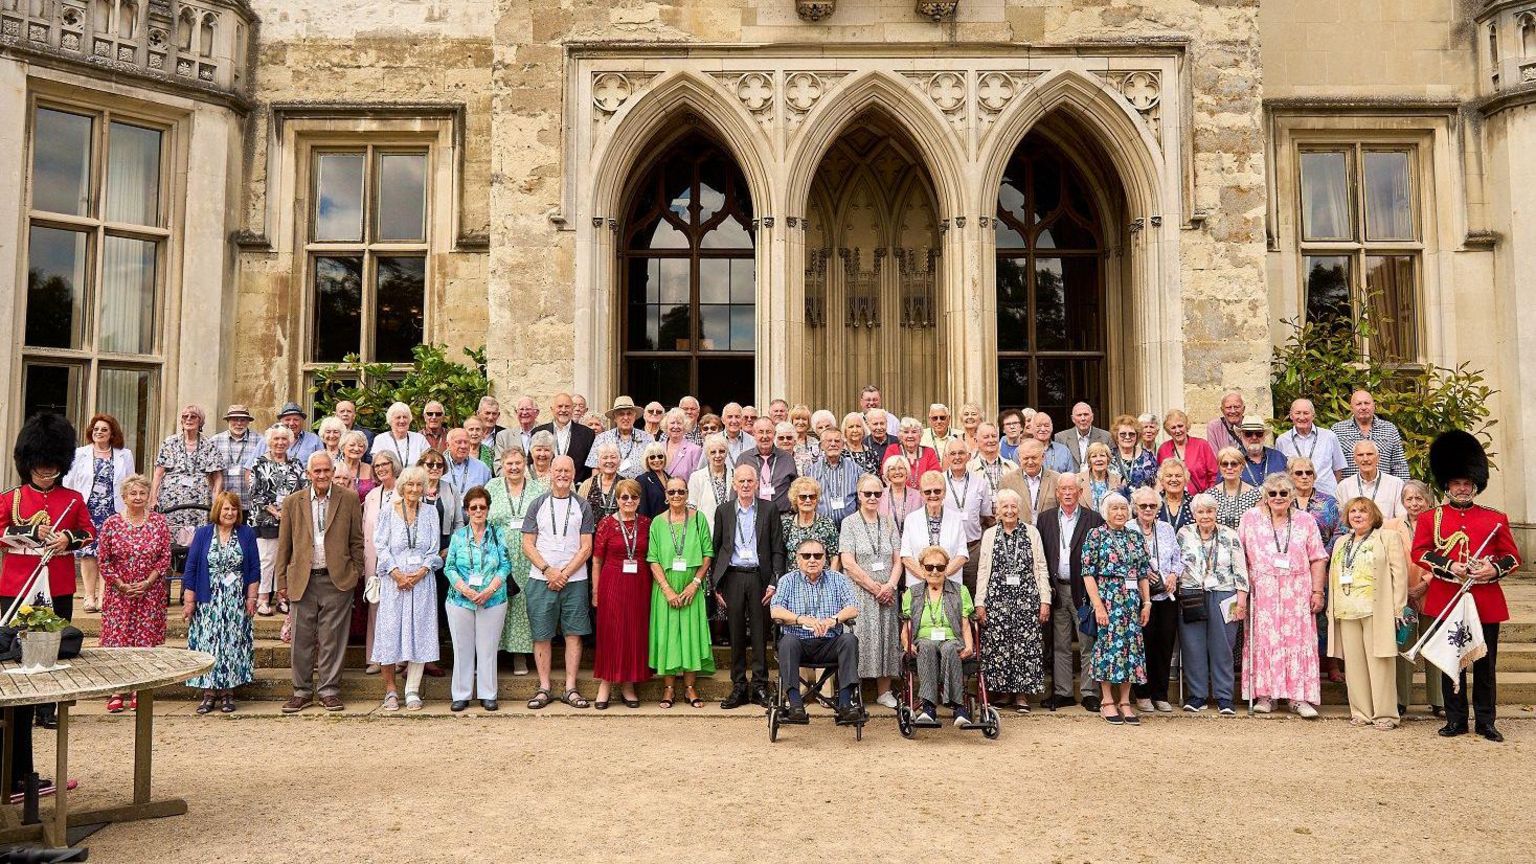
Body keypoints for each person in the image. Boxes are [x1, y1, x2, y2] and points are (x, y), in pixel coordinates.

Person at [1412, 430, 1520, 742]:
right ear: (1447, 485)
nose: (1462, 488)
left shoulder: (1495, 518)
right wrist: (1450, 566)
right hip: (1448, 598)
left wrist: (1491, 569)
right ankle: (1456, 719)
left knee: (1485, 666)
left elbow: (1513, 557)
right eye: (1456, 483)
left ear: (1476, 484)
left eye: (1467, 483)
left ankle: (1486, 721)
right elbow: (1419, 552)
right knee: (1451, 662)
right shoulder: (1432, 517)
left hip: (1485, 600)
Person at [275, 451, 365, 713]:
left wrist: (355, 570)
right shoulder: (293, 502)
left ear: (332, 471)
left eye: (327, 470)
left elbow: (357, 540)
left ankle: (329, 691)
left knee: (332, 639)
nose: (323, 475)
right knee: (300, 639)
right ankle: (301, 691)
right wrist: (282, 580)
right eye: (318, 471)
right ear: (308, 473)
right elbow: (285, 546)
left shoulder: (348, 499)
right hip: (303, 579)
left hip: (336, 579)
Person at [1239, 472, 1328, 718]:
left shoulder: (1306, 520)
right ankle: (1265, 695)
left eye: (1284, 493)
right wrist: (1242, 594)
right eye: (1273, 493)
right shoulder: (1250, 518)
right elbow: (1240, 558)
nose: (1278, 497)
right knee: (1264, 640)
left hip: (1297, 591)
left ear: (1291, 496)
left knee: (1297, 641)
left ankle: (1298, 697)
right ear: (1265, 496)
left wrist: (1317, 591)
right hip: (1263, 591)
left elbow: (1318, 557)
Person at [1326, 497, 1408, 729]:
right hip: (1347, 608)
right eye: (1353, 511)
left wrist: (1398, 608)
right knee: (1354, 664)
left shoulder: (1387, 537)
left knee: (1380, 662)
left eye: (1363, 511)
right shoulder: (1342, 541)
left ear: (1373, 515)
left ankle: (1385, 715)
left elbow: (1399, 575)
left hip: (1376, 609)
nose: (1357, 515)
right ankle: (1361, 712)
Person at [91, 471, 170, 712]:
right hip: (119, 594)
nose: (138, 497)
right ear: (124, 497)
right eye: (133, 493)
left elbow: (165, 557)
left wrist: (148, 582)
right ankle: (117, 690)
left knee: (144, 641)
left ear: (148, 496)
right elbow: (103, 560)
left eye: (142, 493)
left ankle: (140, 689)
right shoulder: (112, 523)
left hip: (150, 592)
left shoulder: (158, 522)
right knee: (119, 641)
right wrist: (120, 585)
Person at [522, 455, 596, 709]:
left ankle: (570, 688)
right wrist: (548, 570)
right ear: (550, 473)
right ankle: (544, 687)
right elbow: (527, 543)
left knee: (573, 634)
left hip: (574, 580)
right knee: (542, 634)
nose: (563, 475)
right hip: (540, 578)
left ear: (574, 473)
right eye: (558, 470)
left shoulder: (582, 505)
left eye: (567, 470)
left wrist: (564, 573)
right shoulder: (537, 504)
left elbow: (586, 547)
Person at [711, 464, 787, 709]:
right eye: (741, 481)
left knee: (759, 633)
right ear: (734, 484)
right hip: (733, 576)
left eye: (749, 481)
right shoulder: (723, 511)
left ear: (757, 484)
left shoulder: (769, 509)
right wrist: (717, 584)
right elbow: (718, 548)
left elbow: (778, 548)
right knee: (735, 633)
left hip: (759, 577)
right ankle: (739, 686)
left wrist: (775, 582)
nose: (745, 485)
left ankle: (760, 685)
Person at [181, 490, 260, 714]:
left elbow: (254, 567)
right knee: (208, 642)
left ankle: (227, 692)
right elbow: (192, 567)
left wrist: (252, 597)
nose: (230, 512)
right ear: (218, 510)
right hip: (208, 599)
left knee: (232, 644)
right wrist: (189, 600)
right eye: (226, 508)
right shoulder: (204, 533)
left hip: (236, 599)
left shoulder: (246, 533)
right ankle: (208, 693)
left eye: (234, 508)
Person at [770, 538, 864, 723]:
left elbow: (853, 608)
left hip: (829, 642)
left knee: (849, 640)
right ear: (797, 559)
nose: (812, 560)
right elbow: (775, 611)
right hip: (799, 643)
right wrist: (800, 619)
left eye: (817, 555)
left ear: (825, 559)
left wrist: (832, 620)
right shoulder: (787, 580)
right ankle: (796, 705)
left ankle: (845, 705)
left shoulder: (838, 579)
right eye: (806, 555)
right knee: (787, 641)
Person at [371, 466, 442, 711]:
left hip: (422, 582)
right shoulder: (387, 511)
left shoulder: (431, 513)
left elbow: (434, 549)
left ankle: (412, 689)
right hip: (394, 582)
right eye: (410, 485)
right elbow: (380, 546)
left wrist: (421, 572)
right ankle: (390, 690)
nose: (414, 489)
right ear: (402, 486)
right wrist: (397, 574)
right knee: (390, 632)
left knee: (419, 632)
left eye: (419, 485)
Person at [974, 488, 1050, 712]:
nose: (1009, 510)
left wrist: (1044, 600)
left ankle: (1021, 696)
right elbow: (983, 569)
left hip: (1027, 600)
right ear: (997, 510)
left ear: (1019, 509)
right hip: (997, 600)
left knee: (1025, 647)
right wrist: (980, 602)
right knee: (999, 646)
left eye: (1013, 506)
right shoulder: (989, 535)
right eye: (1004, 506)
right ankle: (1004, 693)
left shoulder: (1032, 533)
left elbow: (1041, 567)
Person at [1081, 494, 1153, 724]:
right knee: (1108, 649)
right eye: (1114, 508)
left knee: (1131, 650)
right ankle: (1106, 700)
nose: (1120, 513)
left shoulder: (1135, 536)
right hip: (1108, 600)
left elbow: (1142, 572)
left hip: (1131, 602)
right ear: (1105, 511)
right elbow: (1088, 574)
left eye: (1123, 508)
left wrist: (1147, 602)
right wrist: (1098, 606)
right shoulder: (1096, 535)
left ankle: (1125, 701)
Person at [1035, 473, 1106, 711]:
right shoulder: (1044, 519)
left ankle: (1089, 693)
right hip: (1057, 590)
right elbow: (1042, 555)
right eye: (1063, 489)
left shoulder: (1093, 519)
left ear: (1079, 492)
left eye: (1072, 489)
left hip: (1084, 591)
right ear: (1057, 493)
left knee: (1088, 642)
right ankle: (1063, 692)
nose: (1067, 493)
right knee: (1060, 644)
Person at [1175, 493, 1248, 714]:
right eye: (1200, 511)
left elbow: (1240, 569)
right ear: (1194, 513)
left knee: (1223, 646)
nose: (1205, 516)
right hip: (1191, 592)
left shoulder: (1229, 534)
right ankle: (1197, 695)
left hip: (1224, 594)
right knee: (1193, 645)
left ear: (1216, 512)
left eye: (1209, 511)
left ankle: (1224, 697)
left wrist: (1242, 600)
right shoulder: (1184, 533)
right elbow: (1176, 564)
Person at [647, 474, 714, 709]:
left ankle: (689, 687)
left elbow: (708, 553)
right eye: (672, 492)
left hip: (691, 588)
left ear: (687, 495)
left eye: (681, 492)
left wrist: (694, 584)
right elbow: (652, 558)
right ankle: (668, 688)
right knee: (668, 637)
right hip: (665, 588)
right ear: (666, 496)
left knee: (690, 635)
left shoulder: (698, 519)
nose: (677, 496)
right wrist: (666, 589)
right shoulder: (657, 522)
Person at [443, 486, 511, 712]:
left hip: (493, 599)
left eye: (483, 507)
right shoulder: (458, 536)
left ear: (488, 509)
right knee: (462, 648)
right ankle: (461, 694)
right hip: (460, 600)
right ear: (467, 510)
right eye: (474, 507)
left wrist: (490, 590)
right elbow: (449, 567)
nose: (478, 511)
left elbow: (505, 565)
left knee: (488, 648)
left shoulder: (497, 533)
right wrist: (467, 591)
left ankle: (488, 693)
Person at [839, 474, 903, 709]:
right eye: (868, 493)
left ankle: (884, 692)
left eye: (877, 493)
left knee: (886, 638)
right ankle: (854, 690)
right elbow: (848, 561)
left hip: (886, 594)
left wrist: (890, 586)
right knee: (859, 639)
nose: (873, 497)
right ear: (859, 496)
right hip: (860, 593)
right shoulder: (849, 523)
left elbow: (898, 559)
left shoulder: (888, 522)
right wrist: (873, 586)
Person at [65, 413, 135, 613]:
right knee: (88, 553)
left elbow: (130, 482)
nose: (99, 433)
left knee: (109, 554)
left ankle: (105, 596)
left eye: (104, 429)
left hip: (113, 510)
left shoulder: (124, 454)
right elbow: (69, 481)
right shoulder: (80, 453)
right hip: (87, 509)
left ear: (112, 433)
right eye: (96, 429)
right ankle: (89, 596)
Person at [901, 545, 978, 726]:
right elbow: (906, 626)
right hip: (923, 639)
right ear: (921, 568)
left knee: (950, 647)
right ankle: (928, 707)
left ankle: (959, 707)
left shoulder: (960, 591)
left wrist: (969, 645)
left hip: (952, 639)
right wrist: (906, 644)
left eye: (940, 567)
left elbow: (965, 624)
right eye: (929, 567)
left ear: (946, 567)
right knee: (926, 646)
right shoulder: (913, 593)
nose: (934, 571)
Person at [591, 479, 652, 709]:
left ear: (639, 500)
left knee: (633, 632)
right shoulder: (606, 524)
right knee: (611, 632)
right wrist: (595, 591)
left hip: (639, 584)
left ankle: (628, 683)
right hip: (612, 582)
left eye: (633, 497)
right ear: (617, 499)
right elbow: (596, 560)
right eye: (624, 497)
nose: (629, 501)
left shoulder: (646, 524)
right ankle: (605, 683)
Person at [1387, 480, 1443, 716]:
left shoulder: (1440, 525)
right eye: (1409, 499)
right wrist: (1402, 591)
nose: (1414, 503)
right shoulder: (1390, 526)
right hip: (1402, 596)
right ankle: (1401, 699)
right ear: (1402, 502)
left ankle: (1439, 699)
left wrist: (1425, 583)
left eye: (1419, 498)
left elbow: (1445, 556)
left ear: (1428, 501)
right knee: (1403, 646)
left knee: (1434, 646)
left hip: (1432, 591)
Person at [488, 447, 543, 675]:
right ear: (502, 464)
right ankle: (492, 653)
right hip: (498, 555)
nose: (513, 467)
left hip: (528, 556)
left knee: (522, 603)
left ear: (525, 463)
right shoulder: (492, 487)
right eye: (509, 463)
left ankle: (520, 655)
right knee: (497, 602)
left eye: (518, 463)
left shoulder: (538, 489)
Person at [1129, 486, 1183, 713]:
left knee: (1164, 644)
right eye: (1143, 506)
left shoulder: (1166, 529)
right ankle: (1142, 694)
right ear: (1135, 508)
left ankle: (1160, 694)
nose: (1148, 509)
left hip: (1165, 595)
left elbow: (1179, 558)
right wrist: (1141, 573)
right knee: (1143, 645)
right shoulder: (1128, 528)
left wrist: (1172, 574)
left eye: (1152, 506)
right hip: (1138, 597)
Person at [248, 426, 306, 616]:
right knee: (267, 560)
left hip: (292, 519)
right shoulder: (259, 462)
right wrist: (275, 511)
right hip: (265, 520)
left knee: (288, 560)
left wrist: (289, 513)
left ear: (289, 441)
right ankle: (263, 599)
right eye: (276, 439)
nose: (280, 443)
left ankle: (283, 597)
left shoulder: (296, 464)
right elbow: (254, 492)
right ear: (269, 441)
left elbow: (304, 489)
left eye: (284, 439)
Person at [150, 403, 227, 539]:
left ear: (200, 421)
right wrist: (153, 497)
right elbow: (158, 473)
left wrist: (216, 501)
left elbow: (218, 477)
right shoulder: (170, 442)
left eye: (193, 416)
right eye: (185, 416)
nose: (189, 419)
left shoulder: (209, 445)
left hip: (199, 501)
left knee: (197, 537)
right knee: (170, 536)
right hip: (172, 500)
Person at [360, 451, 400, 673]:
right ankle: (375, 657)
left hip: (397, 559)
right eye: (377, 465)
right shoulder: (372, 495)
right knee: (375, 605)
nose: (382, 468)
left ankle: (399, 658)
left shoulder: (404, 491)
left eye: (386, 464)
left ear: (394, 465)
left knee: (396, 607)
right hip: (373, 557)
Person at [940, 438, 992, 592]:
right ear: (947, 457)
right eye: (953, 453)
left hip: (972, 549)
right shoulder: (939, 481)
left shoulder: (980, 483)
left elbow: (986, 516)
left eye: (961, 453)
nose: (957, 457)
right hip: (947, 549)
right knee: (948, 592)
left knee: (973, 590)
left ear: (969, 456)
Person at [899, 470, 968, 588]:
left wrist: (940, 576)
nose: (932, 495)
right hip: (918, 585)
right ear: (921, 494)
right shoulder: (911, 519)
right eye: (927, 492)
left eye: (937, 491)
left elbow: (962, 554)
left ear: (944, 493)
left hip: (950, 584)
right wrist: (928, 578)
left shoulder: (956, 518)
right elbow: (906, 556)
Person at [1332, 389, 1410, 480]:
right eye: (1358, 404)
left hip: (1384, 490)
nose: (1363, 407)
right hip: (1349, 491)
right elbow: (1332, 466)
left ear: (1374, 406)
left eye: (1367, 403)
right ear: (1351, 407)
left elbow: (1399, 465)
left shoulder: (1389, 429)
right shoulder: (1337, 431)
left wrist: (1402, 490)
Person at [1276, 399, 1346, 497]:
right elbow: (1282, 473)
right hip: (1295, 498)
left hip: (1327, 497)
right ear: (1291, 416)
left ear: (1313, 415)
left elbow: (1338, 470)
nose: (1302, 417)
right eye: (1297, 413)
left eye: (1306, 413)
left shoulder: (1329, 437)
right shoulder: (1282, 441)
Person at [736, 417, 796, 513]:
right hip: (752, 515)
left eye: (768, 432)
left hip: (781, 516)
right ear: (754, 434)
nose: (765, 436)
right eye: (760, 432)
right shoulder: (744, 458)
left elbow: (795, 490)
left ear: (774, 434)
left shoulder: (787, 459)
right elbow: (735, 490)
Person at [534, 392, 596, 483]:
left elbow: (591, 466)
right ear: (552, 409)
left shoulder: (587, 434)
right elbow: (532, 461)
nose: (563, 410)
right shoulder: (538, 432)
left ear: (572, 409)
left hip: (577, 489)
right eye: (560, 406)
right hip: (544, 488)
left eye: (567, 407)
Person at [1336, 440, 1405, 521]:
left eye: (1369, 454)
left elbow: (1401, 518)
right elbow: (1341, 521)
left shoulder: (1396, 484)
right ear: (1354, 460)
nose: (1365, 459)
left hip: (1386, 532)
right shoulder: (1344, 487)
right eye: (1360, 455)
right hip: (1355, 533)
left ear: (1378, 458)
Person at [588, 396, 655, 479]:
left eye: (629, 413)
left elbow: (654, 467)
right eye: (621, 414)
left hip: (639, 489)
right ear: (615, 418)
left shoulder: (648, 439)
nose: (626, 417)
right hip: (610, 489)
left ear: (634, 417)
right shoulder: (602, 438)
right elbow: (595, 469)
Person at [209, 404, 260, 511]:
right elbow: (209, 474)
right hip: (224, 505)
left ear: (248, 422)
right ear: (228, 421)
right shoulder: (215, 441)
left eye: (243, 420)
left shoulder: (260, 441)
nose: (239, 423)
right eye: (234, 420)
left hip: (249, 503)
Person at [807, 428, 861, 526]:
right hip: (821, 526)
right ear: (821, 446)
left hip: (850, 527)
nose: (833, 444)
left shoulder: (855, 469)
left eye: (837, 441)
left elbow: (861, 498)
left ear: (843, 445)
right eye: (829, 441)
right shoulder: (812, 471)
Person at [781, 476, 840, 564]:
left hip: (822, 576)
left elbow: (835, 557)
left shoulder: (827, 524)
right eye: (803, 497)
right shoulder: (786, 524)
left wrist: (831, 577)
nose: (808, 500)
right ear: (795, 499)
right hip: (793, 576)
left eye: (812, 496)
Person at [998, 439, 1058, 525]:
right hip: (1018, 535)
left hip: (1049, 535)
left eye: (1034, 458)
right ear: (1019, 458)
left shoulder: (1056, 480)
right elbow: (1000, 514)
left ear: (1043, 457)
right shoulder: (1007, 481)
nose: (1030, 462)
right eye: (1026, 458)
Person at [1157, 409, 1217, 493]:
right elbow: (1161, 478)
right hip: (1172, 500)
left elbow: (1214, 475)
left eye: (1180, 426)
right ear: (1168, 431)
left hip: (1200, 500)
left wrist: (1209, 495)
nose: (1177, 431)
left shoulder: (1202, 445)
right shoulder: (1163, 449)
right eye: (1173, 428)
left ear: (1186, 426)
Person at [1289, 456, 1340, 551]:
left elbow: (1340, 532)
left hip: (1324, 559)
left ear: (1314, 476)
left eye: (1309, 473)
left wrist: (1324, 556)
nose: (1304, 476)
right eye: (1299, 473)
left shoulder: (1329, 502)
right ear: (1290, 477)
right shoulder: (1284, 502)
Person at [687, 434, 732, 534]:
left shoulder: (735, 475)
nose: (718, 455)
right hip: (706, 532)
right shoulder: (697, 477)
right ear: (707, 455)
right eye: (713, 452)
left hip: (731, 532)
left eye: (721, 451)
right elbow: (691, 510)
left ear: (727, 453)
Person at [253, 403, 323, 466]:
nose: (291, 423)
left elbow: (323, 465)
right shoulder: (266, 440)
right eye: (287, 419)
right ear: (281, 421)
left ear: (302, 421)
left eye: (296, 419)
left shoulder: (314, 440)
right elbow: (250, 469)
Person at [1210, 446, 1260, 528]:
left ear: (1242, 466)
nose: (1229, 467)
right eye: (1224, 464)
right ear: (1219, 467)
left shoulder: (1255, 495)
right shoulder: (1210, 495)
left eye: (1234, 464)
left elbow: (1258, 526)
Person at [1108, 414, 1157, 498]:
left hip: (1143, 507)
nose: (1127, 437)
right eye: (1123, 434)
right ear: (1116, 436)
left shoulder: (1148, 457)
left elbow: (1156, 484)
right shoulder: (1108, 457)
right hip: (1116, 507)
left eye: (1131, 434)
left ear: (1137, 436)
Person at [370, 402, 429, 468]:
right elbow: (377, 466)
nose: (402, 421)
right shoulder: (380, 440)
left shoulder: (420, 439)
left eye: (405, 417)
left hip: (416, 477)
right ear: (390, 420)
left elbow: (428, 463)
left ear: (409, 420)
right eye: (398, 417)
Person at [882, 416, 940, 485]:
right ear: (900, 436)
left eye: (914, 432)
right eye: (906, 432)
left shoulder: (929, 452)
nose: (910, 435)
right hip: (899, 492)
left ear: (920, 435)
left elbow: (936, 476)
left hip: (925, 493)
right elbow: (886, 473)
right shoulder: (893, 450)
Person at [1056, 402, 1112, 471]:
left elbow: (1110, 464)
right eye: (1079, 415)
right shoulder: (1061, 437)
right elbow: (1059, 465)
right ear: (1073, 419)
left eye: (1086, 414)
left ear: (1092, 417)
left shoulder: (1106, 437)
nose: (1083, 418)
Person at [967, 423, 1018, 498]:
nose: (991, 440)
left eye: (994, 436)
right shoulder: (969, 469)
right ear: (976, 441)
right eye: (986, 437)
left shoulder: (1012, 467)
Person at [1236, 415, 1288, 487]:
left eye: (1259, 433)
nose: (1254, 437)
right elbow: (1221, 488)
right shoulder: (1232, 460)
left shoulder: (1279, 458)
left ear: (1264, 436)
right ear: (1241, 436)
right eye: (1248, 434)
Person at [578, 442, 623, 521]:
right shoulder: (587, 485)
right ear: (598, 462)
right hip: (591, 532)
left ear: (619, 461)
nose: (609, 461)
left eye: (613, 457)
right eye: (605, 458)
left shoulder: (626, 484)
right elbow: (578, 512)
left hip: (619, 532)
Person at [444, 428, 492, 494]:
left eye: (466, 442)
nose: (463, 446)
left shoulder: (482, 468)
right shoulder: (438, 466)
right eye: (459, 442)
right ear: (448, 445)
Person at [1078, 442, 1123, 512]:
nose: (1098, 459)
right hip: (1086, 521)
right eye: (1094, 456)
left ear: (1108, 459)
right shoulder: (1078, 479)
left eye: (1102, 455)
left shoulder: (1119, 481)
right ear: (1089, 460)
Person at [660, 408, 703, 480]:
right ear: (666, 426)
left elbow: (697, 480)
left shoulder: (695, 450)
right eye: (672, 423)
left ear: (685, 426)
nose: (675, 426)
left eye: (679, 423)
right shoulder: (658, 447)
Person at [878, 456, 921, 525]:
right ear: (887, 474)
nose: (897, 472)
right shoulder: (879, 495)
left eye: (901, 468)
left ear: (907, 472)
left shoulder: (918, 496)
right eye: (892, 469)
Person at [1156, 458, 1195, 533]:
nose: (1174, 479)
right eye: (1169, 476)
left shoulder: (1194, 503)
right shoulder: (1153, 503)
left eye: (1178, 476)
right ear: (1161, 480)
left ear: (1185, 479)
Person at [636, 443, 671, 518]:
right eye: (652, 457)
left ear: (665, 458)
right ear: (647, 460)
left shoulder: (670, 479)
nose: (657, 460)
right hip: (652, 525)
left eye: (660, 456)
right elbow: (642, 510)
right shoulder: (642, 480)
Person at [338, 431, 375, 500]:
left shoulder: (371, 469)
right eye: (352, 445)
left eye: (361, 446)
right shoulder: (334, 468)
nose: (356, 449)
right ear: (343, 447)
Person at [843, 412, 881, 478]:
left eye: (858, 426)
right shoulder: (839, 454)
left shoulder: (872, 453)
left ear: (863, 430)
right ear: (845, 431)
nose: (855, 430)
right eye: (851, 427)